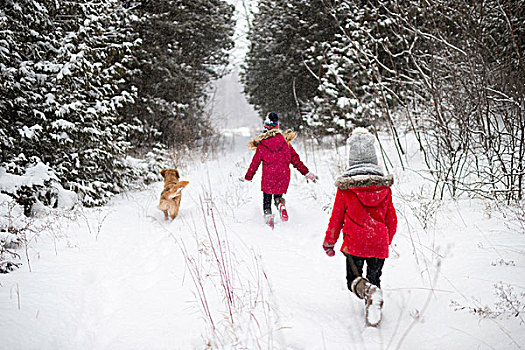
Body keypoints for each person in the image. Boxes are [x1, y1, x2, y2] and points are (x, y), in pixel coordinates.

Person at [322, 127, 397, 326]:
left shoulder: (346, 190)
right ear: (373, 157)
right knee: (375, 278)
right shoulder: (384, 188)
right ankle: (373, 312)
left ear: (351, 158)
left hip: (355, 245)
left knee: (354, 280)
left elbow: (336, 219)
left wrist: (329, 242)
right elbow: (392, 221)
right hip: (379, 243)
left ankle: (368, 293)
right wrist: (384, 242)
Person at [243, 112, 318, 228]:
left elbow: (255, 164)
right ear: (277, 126)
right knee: (278, 196)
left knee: (267, 199)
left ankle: (268, 219)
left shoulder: (262, 145)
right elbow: (296, 160)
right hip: (283, 176)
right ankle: (280, 205)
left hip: (268, 178)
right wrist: (306, 173)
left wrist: (248, 177)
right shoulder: (285, 143)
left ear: (266, 127)